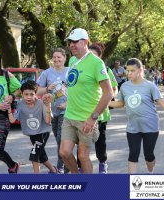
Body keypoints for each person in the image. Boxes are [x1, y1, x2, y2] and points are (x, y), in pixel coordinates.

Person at [59, 28, 113, 174]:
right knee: (64, 153)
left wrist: (93, 117)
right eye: (70, 42)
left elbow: (108, 93)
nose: (71, 45)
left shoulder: (96, 63)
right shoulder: (72, 60)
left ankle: (89, 188)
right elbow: (70, 84)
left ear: (86, 42)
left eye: (75, 41)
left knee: (83, 156)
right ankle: (79, 181)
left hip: (87, 118)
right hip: (70, 116)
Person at [109, 58, 164, 173]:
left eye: (132, 70)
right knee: (133, 154)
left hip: (150, 126)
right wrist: (104, 102)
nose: (129, 73)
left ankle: (150, 173)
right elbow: (120, 103)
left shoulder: (150, 86)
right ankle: (131, 185)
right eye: (128, 70)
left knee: (148, 155)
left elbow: (161, 101)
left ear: (140, 70)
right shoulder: (125, 86)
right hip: (133, 127)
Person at [8, 80, 58, 173]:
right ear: (22, 94)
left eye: (31, 94)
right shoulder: (19, 104)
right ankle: (53, 170)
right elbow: (12, 120)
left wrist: (48, 106)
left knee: (34, 155)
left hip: (43, 132)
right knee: (41, 155)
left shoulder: (41, 103)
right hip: (32, 134)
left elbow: (48, 121)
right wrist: (8, 108)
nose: (29, 97)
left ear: (35, 94)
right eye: (26, 94)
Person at [36, 48, 68, 173]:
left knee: (61, 138)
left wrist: (68, 103)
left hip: (67, 111)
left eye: (59, 57)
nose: (56, 59)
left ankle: (60, 167)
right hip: (51, 111)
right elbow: (37, 91)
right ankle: (67, 162)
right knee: (58, 138)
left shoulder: (70, 71)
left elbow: (78, 90)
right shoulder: (46, 73)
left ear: (65, 58)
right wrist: (47, 88)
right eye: (54, 57)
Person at [88, 43, 118, 173]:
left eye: (94, 55)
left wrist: (110, 98)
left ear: (100, 57)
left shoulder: (106, 69)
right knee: (82, 142)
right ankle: (80, 167)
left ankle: (102, 163)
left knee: (100, 140)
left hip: (101, 112)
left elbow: (114, 89)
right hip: (84, 111)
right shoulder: (80, 68)